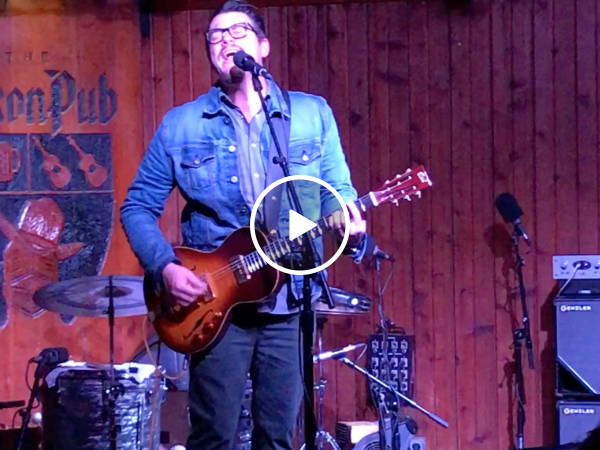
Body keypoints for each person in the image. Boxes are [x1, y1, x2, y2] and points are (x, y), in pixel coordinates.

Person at [120, 1, 367, 449]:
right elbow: (137, 207)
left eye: (238, 32)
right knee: (214, 436)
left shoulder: (311, 114)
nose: (225, 41)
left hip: (290, 301)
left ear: (263, 47)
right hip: (215, 302)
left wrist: (349, 225)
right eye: (215, 36)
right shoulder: (182, 125)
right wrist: (165, 267)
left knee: (278, 437)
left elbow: (338, 193)